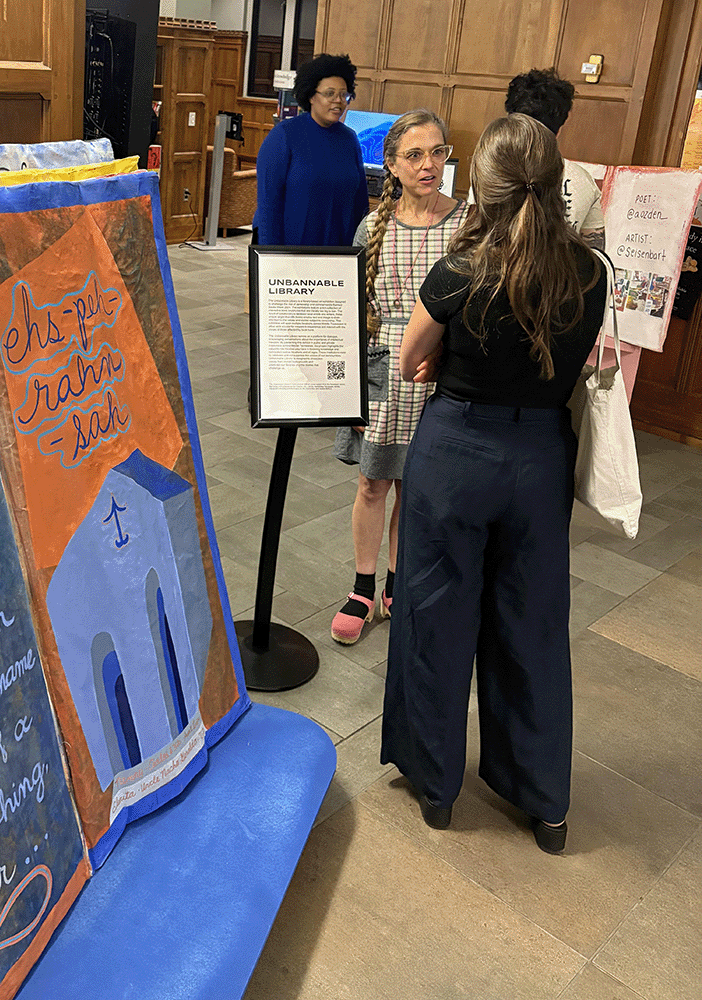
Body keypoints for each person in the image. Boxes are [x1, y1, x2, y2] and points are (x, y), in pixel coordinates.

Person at [380, 114, 608, 854]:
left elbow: (411, 358)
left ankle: (438, 786)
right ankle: (543, 802)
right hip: (539, 458)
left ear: (483, 184)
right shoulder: (591, 272)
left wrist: (451, 363)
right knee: (532, 625)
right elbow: (568, 366)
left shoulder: (459, 269)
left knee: (435, 612)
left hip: (457, 451)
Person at [330, 111, 466, 644]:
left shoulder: (467, 224)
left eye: (438, 152)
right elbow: (353, 307)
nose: (429, 165)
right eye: (414, 155)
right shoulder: (374, 226)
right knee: (373, 482)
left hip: (440, 374)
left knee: (417, 488)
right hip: (385, 372)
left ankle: (397, 579)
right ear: (391, 164)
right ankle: (363, 586)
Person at [254, 53, 368, 246]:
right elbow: (268, 207)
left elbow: (360, 203)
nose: (338, 100)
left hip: (339, 251)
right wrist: (270, 259)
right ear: (311, 96)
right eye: (329, 93)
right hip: (291, 252)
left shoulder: (350, 139)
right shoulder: (283, 136)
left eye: (343, 94)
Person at [504, 67, 605, 248]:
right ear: (560, 127)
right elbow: (596, 254)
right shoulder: (582, 180)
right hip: (562, 274)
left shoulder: (489, 170)